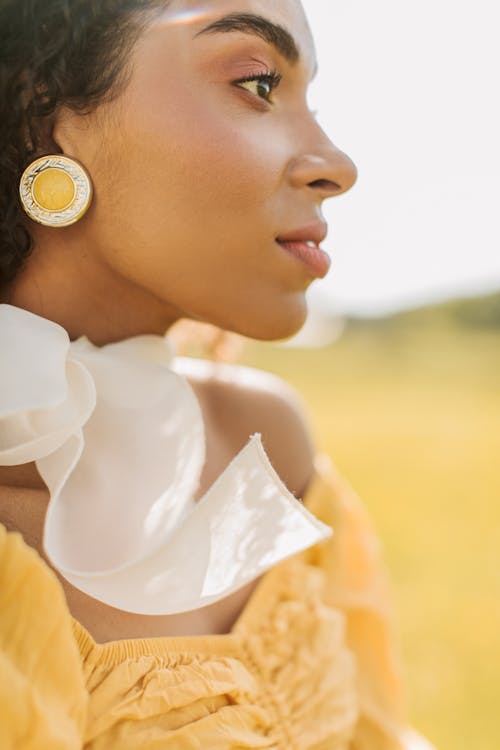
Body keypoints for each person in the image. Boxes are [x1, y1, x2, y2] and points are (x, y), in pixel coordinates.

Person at [0, 1, 434, 748]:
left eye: (312, 100)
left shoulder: (266, 442)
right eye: (260, 84)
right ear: (49, 109)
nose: (338, 165)